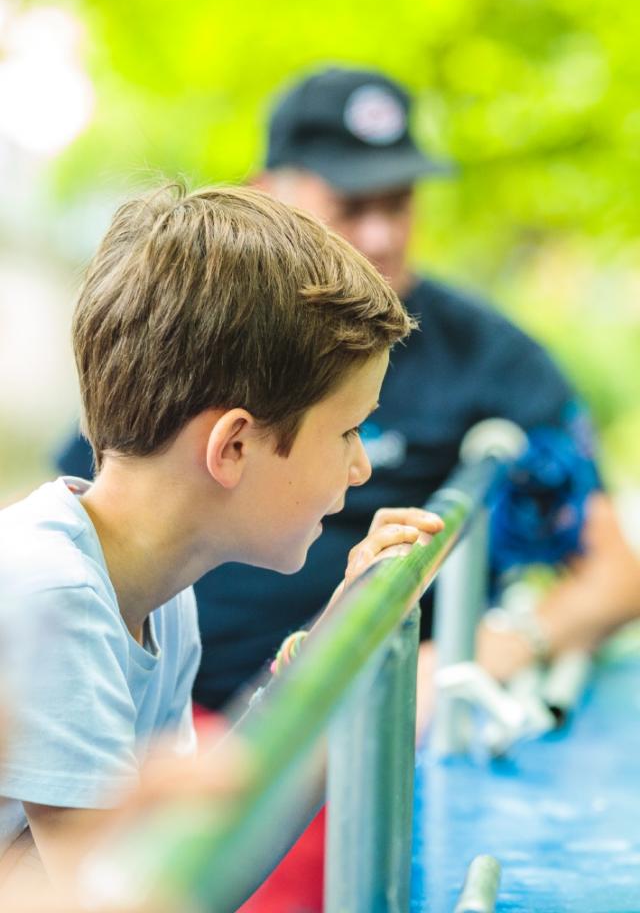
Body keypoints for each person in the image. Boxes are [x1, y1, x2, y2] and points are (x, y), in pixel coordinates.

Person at [56, 69, 640, 719]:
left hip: (356, 722)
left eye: (399, 203)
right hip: (153, 705)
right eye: (350, 206)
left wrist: (460, 660)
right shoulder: (198, 325)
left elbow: (616, 571)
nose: (382, 236)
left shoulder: (492, 359)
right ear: (264, 196)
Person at [0, 183, 443, 892]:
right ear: (233, 446)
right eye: (348, 430)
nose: (361, 467)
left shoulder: (158, 594)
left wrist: (330, 645)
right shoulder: (54, 595)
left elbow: (201, 857)